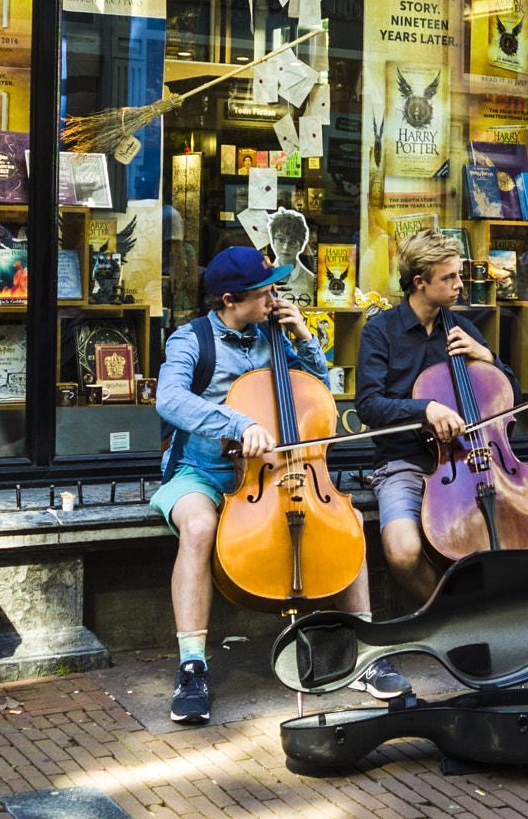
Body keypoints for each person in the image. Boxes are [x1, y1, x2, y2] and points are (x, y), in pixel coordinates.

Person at [153, 246, 408, 724]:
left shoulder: (273, 335)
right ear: (230, 299)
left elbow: (316, 396)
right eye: (264, 292)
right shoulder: (190, 340)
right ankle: (191, 666)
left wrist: (304, 336)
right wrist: (234, 422)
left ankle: (366, 652)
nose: (274, 297)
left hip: (281, 474)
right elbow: (169, 399)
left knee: (346, 518)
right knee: (199, 528)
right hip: (202, 472)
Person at [355, 230, 528, 605]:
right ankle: (451, 611)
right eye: (450, 277)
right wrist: (425, 409)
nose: (460, 285)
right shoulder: (380, 332)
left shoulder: (463, 329)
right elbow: (369, 405)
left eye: (459, 274)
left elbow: (509, 399)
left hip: (473, 458)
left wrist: (488, 359)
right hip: (403, 462)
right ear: (419, 282)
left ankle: (512, 601)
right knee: (402, 552)